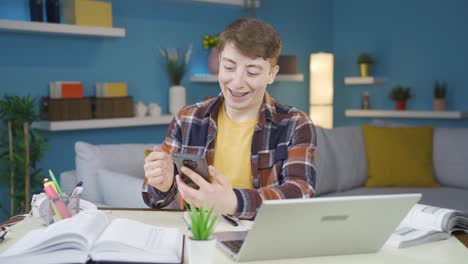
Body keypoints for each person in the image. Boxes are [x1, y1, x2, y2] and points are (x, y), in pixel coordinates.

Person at [142, 17, 317, 219]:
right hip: (200, 238)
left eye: (251, 72)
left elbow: (302, 192)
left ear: (271, 74)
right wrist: (163, 184)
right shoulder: (188, 119)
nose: (237, 82)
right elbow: (153, 197)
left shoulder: (295, 124)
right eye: (229, 67)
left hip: (264, 238)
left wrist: (234, 202)